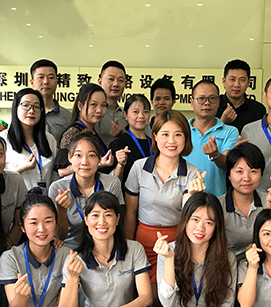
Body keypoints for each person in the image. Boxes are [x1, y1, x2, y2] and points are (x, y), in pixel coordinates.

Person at [124, 110, 201, 293]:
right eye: (165, 134)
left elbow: (189, 219)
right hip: (142, 245)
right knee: (144, 296)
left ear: (186, 138)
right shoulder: (139, 167)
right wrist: (128, 248)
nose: (171, 141)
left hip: (176, 244)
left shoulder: (193, 173)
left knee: (169, 294)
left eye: (178, 135)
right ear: (155, 137)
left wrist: (192, 196)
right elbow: (130, 213)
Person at [49, 132, 124, 249]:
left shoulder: (112, 184)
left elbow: (117, 226)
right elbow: (60, 236)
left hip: (103, 248)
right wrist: (61, 210)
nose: (84, 162)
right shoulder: (58, 188)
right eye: (78, 155)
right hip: (70, 250)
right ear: (69, 157)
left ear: (100, 158)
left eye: (91, 155)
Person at [219, 142, 271, 260]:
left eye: (253, 171)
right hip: (227, 265)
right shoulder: (218, 205)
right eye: (239, 172)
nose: (246, 178)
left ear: (261, 173)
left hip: (263, 264)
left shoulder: (269, 200)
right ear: (229, 175)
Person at [0, 88, 57, 193]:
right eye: (26, 105)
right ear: (16, 107)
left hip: (45, 200)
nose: (31, 111)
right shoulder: (1, 139)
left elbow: (55, 175)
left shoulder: (49, 139)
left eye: (36, 106)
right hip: (15, 199)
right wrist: (22, 168)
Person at [184, 80, 239, 197]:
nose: (207, 103)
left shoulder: (230, 131)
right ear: (192, 102)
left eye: (212, 98)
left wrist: (216, 155)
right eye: (201, 98)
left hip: (217, 199)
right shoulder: (181, 130)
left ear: (218, 102)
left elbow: (228, 164)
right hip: (184, 197)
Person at [55, 83, 115, 177]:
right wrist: (99, 164)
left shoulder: (91, 130)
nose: (99, 110)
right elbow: (62, 171)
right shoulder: (73, 132)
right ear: (80, 105)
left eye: (103, 105)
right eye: (93, 104)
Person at [109, 94, 152, 185]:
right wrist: (120, 164)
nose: (141, 116)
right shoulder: (119, 143)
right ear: (125, 115)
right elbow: (112, 181)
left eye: (145, 112)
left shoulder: (155, 143)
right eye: (135, 112)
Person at [216, 59, 266, 133]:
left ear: (248, 83)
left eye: (242, 80)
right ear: (224, 81)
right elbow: (205, 137)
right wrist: (222, 122)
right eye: (232, 79)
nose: (237, 85)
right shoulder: (213, 106)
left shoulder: (258, 109)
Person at [29, 59, 72, 141]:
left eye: (51, 77)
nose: (46, 82)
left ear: (57, 82)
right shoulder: (24, 114)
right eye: (41, 77)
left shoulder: (68, 117)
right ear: (32, 82)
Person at [97, 60, 129, 146]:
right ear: (100, 82)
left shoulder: (128, 115)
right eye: (111, 79)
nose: (116, 84)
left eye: (120, 80)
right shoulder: (93, 112)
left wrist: (123, 134)